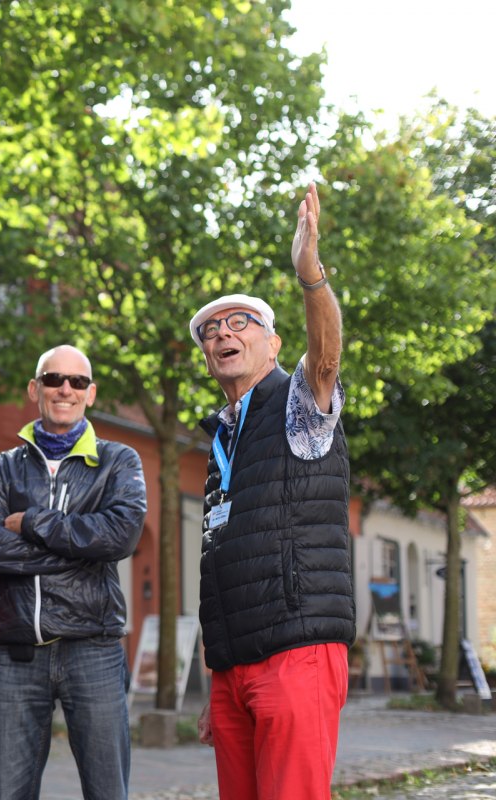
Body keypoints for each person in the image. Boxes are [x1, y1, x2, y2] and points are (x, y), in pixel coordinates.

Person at [189, 182, 353, 800]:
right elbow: (219, 565)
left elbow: (328, 356)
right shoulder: (222, 439)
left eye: (241, 323)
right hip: (233, 667)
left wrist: (310, 275)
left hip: (296, 649)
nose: (223, 334)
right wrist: (215, 680)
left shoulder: (295, 404)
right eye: (210, 331)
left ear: (272, 343)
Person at [0, 345, 147, 800]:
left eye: (77, 382)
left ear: (91, 394)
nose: (65, 389)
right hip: (17, 653)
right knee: (10, 793)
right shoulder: (0, 469)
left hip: (95, 648)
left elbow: (120, 537)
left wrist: (31, 522)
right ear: (34, 389)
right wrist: (81, 549)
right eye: (53, 379)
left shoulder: (118, 462)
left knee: (107, 791)